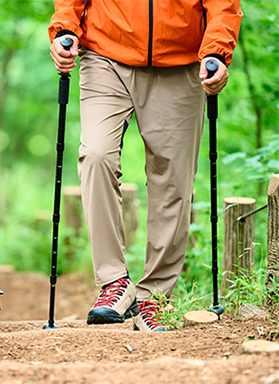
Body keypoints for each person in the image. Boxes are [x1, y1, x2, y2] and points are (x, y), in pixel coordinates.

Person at [48, 0, 242, 331]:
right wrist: (65, 28)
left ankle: (154, 296)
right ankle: (114, 283)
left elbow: (223, 5)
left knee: (173, 177)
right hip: (106, 54)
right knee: (96, 154)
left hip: (180, 62)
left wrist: (217, 51)